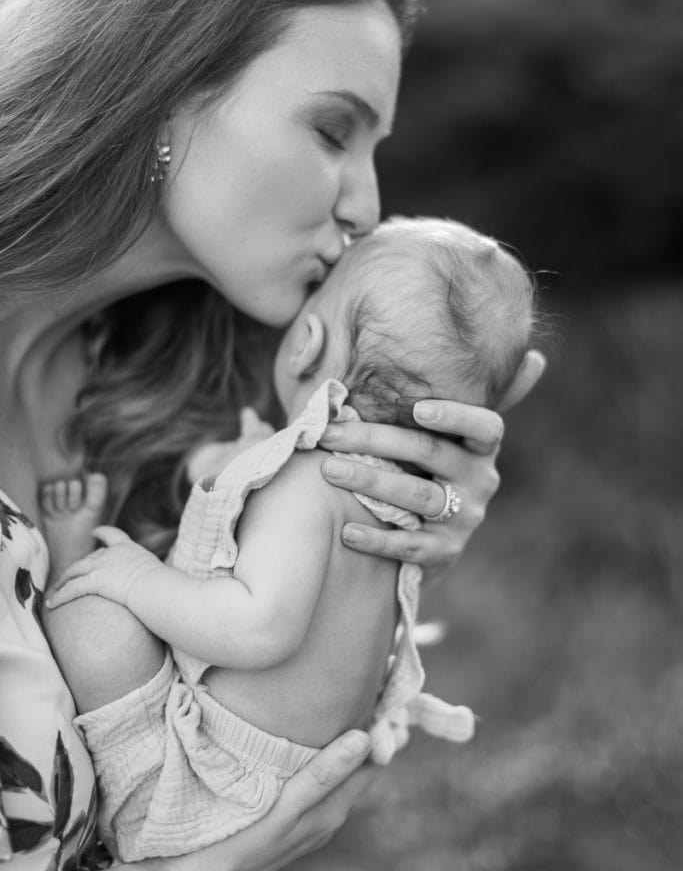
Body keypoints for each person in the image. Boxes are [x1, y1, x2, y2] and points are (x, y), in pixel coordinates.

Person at [0, 0, 545, 871]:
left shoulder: (219, 395)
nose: (364, 206)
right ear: (161, 88)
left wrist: (390, 525)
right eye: (331, 131)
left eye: (374, 148)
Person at [41, 215, 538, 862]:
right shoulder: (384, 496)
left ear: (305, 342)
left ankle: (68, 564)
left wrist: (136, 579)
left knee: (93, 618)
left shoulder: (306, 482)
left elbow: (258, 629)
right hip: (276, 777)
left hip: (208, 774)